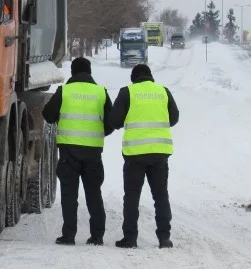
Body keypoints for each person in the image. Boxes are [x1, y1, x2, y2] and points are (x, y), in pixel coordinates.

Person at [42, 57, 113, 246]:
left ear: (72, 72)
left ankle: (69, 235)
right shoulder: (101, 92)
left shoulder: (64, 91)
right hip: (93, 153)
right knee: (94, 194)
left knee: (69, 194)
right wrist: (99, 132)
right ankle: (97, 236)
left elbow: (47, 115)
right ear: (89, 72)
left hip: (69, 152)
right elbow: (111, 121)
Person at [107, 64, 179, 249]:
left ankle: (130, 239)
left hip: (135, 155)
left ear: (134, 78)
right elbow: (174, 117)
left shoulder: (127, 92)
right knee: (161, 195)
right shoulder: (164, 91)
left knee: (132, 197)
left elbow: (114, 121)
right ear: (150, 76)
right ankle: (164, 238)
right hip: (159, 153)